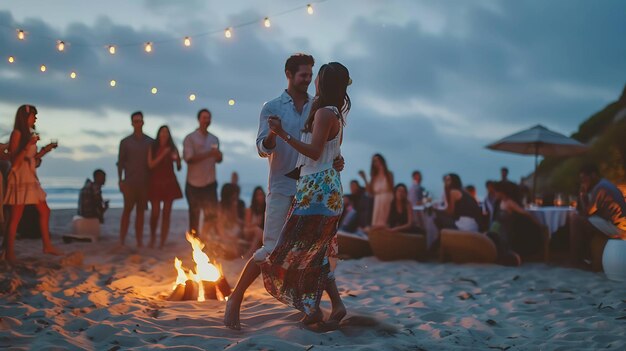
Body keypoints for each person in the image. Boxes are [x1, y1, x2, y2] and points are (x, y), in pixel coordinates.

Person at [224, 54, 345, 330]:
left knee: (314, 252)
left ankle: (323, 307)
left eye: (310, 74)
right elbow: (262, 148)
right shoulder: (272, 107)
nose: (308, 79)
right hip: (281, 186)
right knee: (271, 249)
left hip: (309, 190)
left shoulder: (319, 105)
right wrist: (272, 135)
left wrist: (337, 158)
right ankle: (235, 299)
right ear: (289, 74)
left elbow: (323, 144)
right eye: (303, 74)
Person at [262, 61, 351, 328]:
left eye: (317, 77)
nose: (313, 81)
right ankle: (333, 305)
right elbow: (329, 153)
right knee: (317, 251)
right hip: (324, 187)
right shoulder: (331, 112)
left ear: (323, 83)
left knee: (290, 250)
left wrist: (282, 134)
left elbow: (314, 152)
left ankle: (313, 307)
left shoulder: (325, 112)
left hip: (318, 190)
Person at [3, 104, 62, 262]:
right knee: (16, 215)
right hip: (20, 177)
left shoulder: (29, 134)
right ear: (25, 117)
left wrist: (45, 150)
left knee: (45, 210)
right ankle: (9, 253)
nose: (35, 118)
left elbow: (32, 159)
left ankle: (47, 246)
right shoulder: (17, 134)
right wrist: (28, 144)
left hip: (30, 176)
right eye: (33, 115)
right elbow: (15, 160)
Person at [569, 164, 626, 269]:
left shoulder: (600, 188)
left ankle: (575, 260)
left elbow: (587, 212)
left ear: (593, 175)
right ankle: (586, 257)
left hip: (617, 227)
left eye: (584, 178)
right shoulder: (604, 184)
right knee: (581, 220)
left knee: (575, 220)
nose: (582, 181)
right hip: (616, 224)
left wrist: (582, 194)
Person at [183, 108, 223, 235]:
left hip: (210, 183)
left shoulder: (214, 139)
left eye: (208, 118)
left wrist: (218, 155)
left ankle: (207, 243)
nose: (207, 120)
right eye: (204, 117)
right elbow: (188, 159)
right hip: (193, 184)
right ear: (199, 119)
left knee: (211, 216)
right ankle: (195, 244)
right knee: (194, 215)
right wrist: (208, 154)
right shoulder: (190, 138)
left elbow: (218, 160)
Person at [117, 111, 153, 247]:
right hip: (130, 183)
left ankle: (139, 240)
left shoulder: (150, 141)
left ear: (143, 122)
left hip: (145, 183)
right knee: (127, 210)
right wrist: (120, 180)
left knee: (140, 213)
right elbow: (120, 162)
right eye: (135, 121)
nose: (138, 123)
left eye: (140, 121)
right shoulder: (125, 142)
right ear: (132, 123)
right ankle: (122, 239)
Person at [489, 181, 543, 263]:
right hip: (498, 229)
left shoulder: (510, 203)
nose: (495, 194)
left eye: (496, 192)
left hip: (506, 231)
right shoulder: (499, 202)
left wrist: (538, 223)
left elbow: (525, 213)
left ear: (502, 192)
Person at [147, 125, 183, 249]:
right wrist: (163, 155)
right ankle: (152, 238)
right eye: (162, 131)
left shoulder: (173, 148)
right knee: (155, 212)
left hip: (169, 182)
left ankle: (162, 241)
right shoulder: (153, 146)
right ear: (159, 133)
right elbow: (150, 165)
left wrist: (178, 160)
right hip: (156, 182)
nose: (164, 134)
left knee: (167, 214)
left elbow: (178, 168)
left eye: (167, 132)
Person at [359, 154, 394, 227]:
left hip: (387, 198)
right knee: (376, 223)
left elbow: (392, 188)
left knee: (385, 223)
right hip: (377, 200)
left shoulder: (389, 174)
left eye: (377, 160)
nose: (376, 162)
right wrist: (364, 178)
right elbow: (370, 192)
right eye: (374, 161)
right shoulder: (374, 176)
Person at [242, 186, 266, 256]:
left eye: (261, 194)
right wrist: (256, 223)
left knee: (258, 233)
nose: (260, 197)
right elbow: (246, 225)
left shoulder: (265, 210)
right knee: (257, 230)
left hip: (258, 233)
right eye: (258, 195)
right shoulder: (250, 209)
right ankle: (249, 255)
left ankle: (251, 255)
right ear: (254, 197)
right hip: (248, 231)